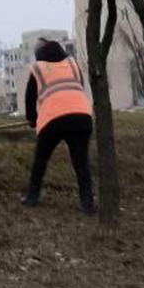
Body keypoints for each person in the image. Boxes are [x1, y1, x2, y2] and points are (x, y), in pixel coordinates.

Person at [22, 37, 95, 213]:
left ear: (39, 55)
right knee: (81, 163)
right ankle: (87, 203)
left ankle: (32, 198)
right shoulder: (72, 64)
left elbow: (30, 97)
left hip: (53, 120)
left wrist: (32, 119)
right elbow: (79, 87)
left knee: (41, 160)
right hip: (81, 117)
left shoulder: (38, 69)